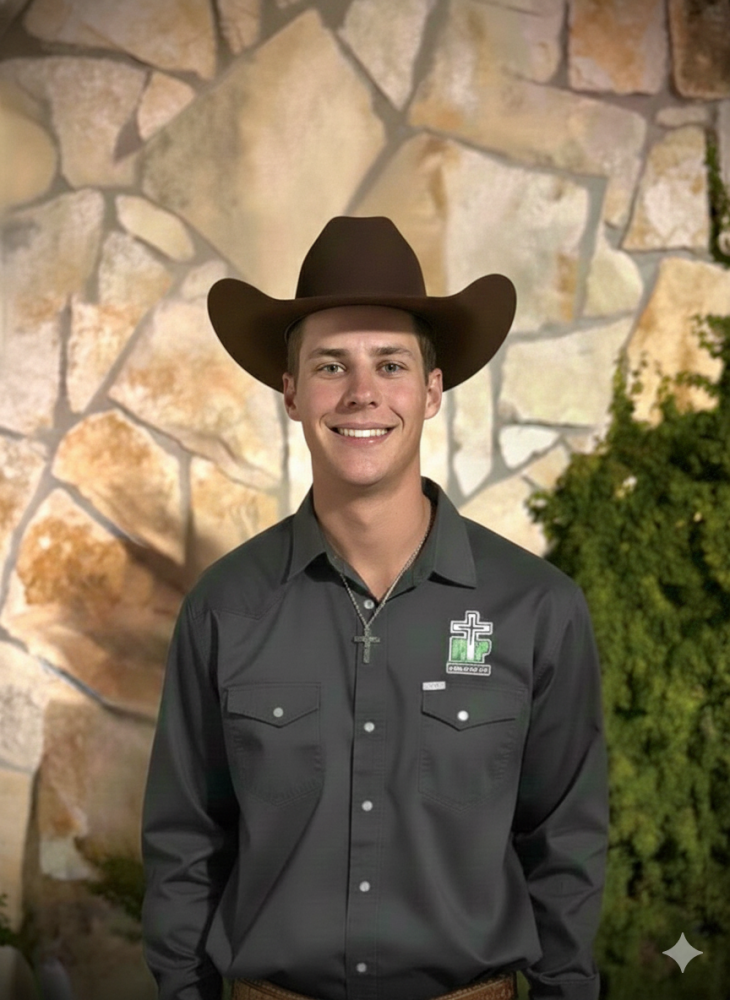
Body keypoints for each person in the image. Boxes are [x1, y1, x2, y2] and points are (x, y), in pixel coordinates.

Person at [140, 216, 610, 1000]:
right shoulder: (223, 610)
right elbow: (185, 846)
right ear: (291, 393)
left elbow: (565, 848)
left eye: (390, 364)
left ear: (431, 391)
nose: (362, 393)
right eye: (331, 365)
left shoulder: (538, 609)